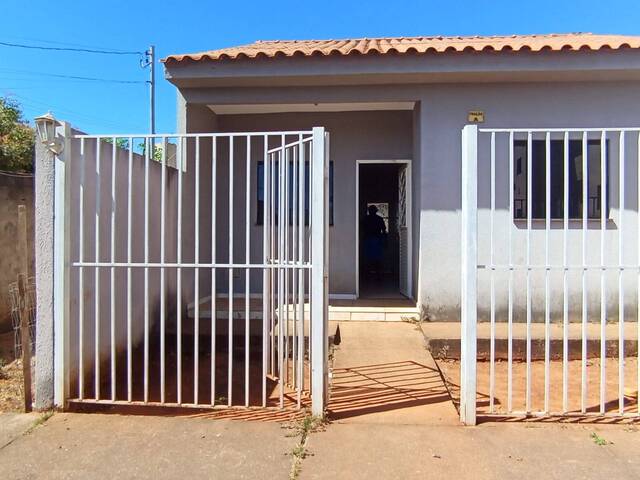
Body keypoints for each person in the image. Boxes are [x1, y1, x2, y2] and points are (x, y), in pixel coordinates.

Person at [363, 204, 386, 279]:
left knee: (369, 258)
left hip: (370, 239)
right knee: (376, 258)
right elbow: (384, 230)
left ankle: (368, 275)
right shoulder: (379, 219)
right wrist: (385, 240)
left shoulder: (365, 219)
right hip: (376, 239)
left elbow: (361, 230)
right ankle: (377, 275)